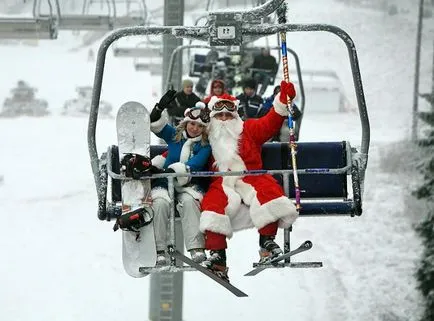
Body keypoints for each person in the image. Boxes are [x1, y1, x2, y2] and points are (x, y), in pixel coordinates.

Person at [199, 81, 299, 281]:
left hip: (252, 176)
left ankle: (267, 244)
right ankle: (218, 256)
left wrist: (282, 100)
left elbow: (269, 123)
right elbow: (182, 139)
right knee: (212, 205)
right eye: (220, 115)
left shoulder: (249, 130)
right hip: (222, 182)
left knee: (268, 193)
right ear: (213, 117)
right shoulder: (206, 135)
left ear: (235, 116)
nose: (225, 119)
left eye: (229, 115)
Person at [149, 90, 212, 266]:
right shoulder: (175, 137)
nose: (194, 128)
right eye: (192, 124)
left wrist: (171, 170)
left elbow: (197, 164)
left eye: (199, 126)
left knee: (190, 202)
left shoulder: (204, 146)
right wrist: (159, 108)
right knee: (159, 204)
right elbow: (155, 125)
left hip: (188, 185)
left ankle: (196, 247)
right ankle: (158, 248)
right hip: (164, 183)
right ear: (186, 123)